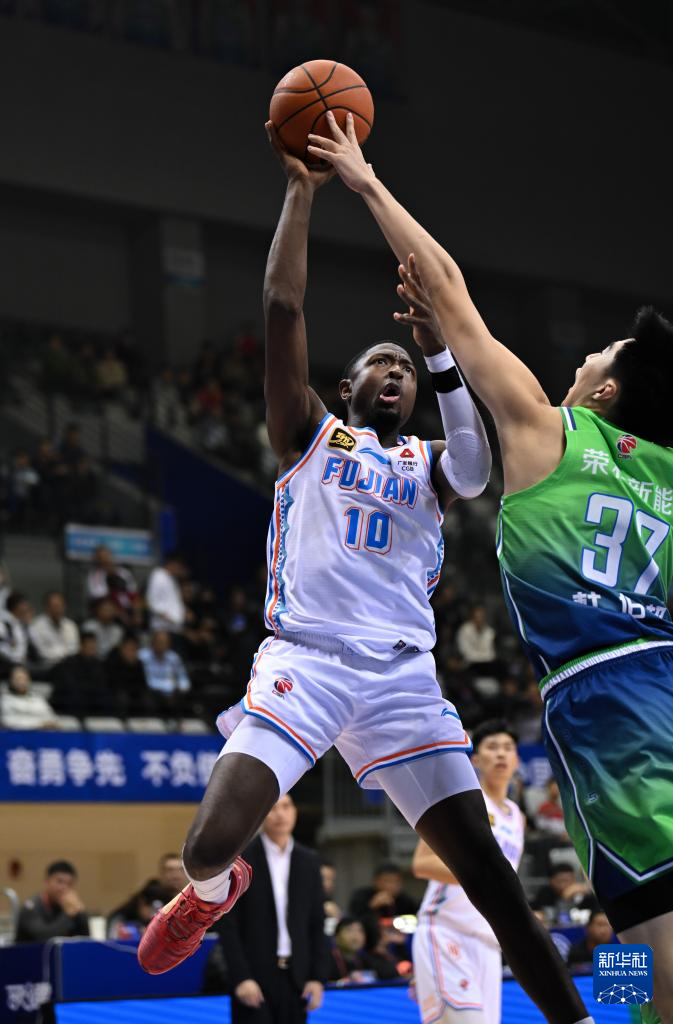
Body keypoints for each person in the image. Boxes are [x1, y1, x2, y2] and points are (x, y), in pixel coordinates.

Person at [136, 118, 591, 1024]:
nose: (393, 373)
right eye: (377, 364)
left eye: (404, 370)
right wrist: (300, 190)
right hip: (305, 664)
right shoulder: (308, 434)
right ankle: (213, 891)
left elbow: (476, 468)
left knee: (493, 881)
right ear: (343, 390)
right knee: (206, 848)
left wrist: (438, 353)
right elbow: (281, 308)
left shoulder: (430, 462)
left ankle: (576, 1019)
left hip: (401, 683)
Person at [309, 109, 673, 1021]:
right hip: (660, 682)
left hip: (612, 709)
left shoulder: (550, 433)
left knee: (653, 935)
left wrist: (363, 181)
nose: (585, 353)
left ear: (607, 390)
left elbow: (448, 286)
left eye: (599, 353)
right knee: (621, 922)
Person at [412, 720, 525, 1024]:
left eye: (508, 748)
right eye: (492, 747)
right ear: (475, 759)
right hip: (446, 931)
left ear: (517, 760)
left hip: (488, 941)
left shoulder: (517, 816)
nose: (500, 754)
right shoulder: (461, 803)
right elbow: (421, 863)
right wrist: (483, 874)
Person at [215, 794, 328, 1023]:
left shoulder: (309, 861)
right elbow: (228, 925)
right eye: (273, 808)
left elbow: (317, 923)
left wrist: (317, 977)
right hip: (254, 978)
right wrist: (241, 977)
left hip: (297, 979)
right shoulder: (240, 860)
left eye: (286, 807)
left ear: (295, 812)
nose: (280, 814)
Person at [15, 860, 89, 942]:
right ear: (47, 882)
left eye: (69, 884)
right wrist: (68, 915)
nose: (64, 888)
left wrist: (80, 913)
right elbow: (45, 939)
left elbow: (86, 940)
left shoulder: (70, 908)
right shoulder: (30, 908)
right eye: (60, 882)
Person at [327, 916, 398, 984]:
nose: (355, 935)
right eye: (349, 930)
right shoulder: (327, 960)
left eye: (360, 931)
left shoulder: (366, 959)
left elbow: (391, 975)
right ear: (336, 937)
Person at [29, 591, 79, 671]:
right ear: (46, 608)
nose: (58, 609)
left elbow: (74, 650)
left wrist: (61, 655)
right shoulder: (36, 626)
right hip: (47, 667)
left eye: (61, 606)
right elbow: (42, 653)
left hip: (69, 665)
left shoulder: (70, 625)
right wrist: (63, 654)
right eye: (55, 606)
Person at [349, 862, 418, 921]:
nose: (392, 885)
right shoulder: (362, 897)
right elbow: (354, 920)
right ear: (376, 881)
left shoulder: (405, 901)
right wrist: (372, 906)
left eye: (396, 881)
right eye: (387, 881)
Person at [532, 864, 596, 923]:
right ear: (551, 881)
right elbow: (555, 918)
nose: (566, 884)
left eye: (570, 880)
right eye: (562, 881)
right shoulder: (545, 894)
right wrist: (564, 898)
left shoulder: (583, 894)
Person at [0, 664, 57, 730]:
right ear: (11, 680)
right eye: (18, 679)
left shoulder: (38, 699)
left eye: (24, 679)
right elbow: (8, 721)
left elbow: (51, 718)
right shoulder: (4, 700)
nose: (21, 682)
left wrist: (48, 724)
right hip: (15, 735)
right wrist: (39, 724)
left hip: (41, 734)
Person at [145, 552, 188, 634]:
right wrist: (164, 616)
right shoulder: (158, 575)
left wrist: (183, 613)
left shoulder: (172, 579)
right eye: (179, 567)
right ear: (173, 563)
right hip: (162, 627)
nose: (180, 570)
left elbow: (174, 602)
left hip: (174, 627)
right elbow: (151, 600)